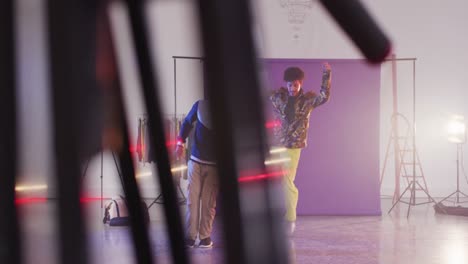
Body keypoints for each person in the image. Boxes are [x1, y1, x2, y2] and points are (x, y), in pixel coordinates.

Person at [270, 62, 332, 235]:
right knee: (279, 181)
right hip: (278, 145)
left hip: (294, 147)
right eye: (289, 85)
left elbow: (324, 96)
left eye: (295, 85)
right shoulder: (278, 97)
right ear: (286, 84)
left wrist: (326, 74)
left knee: (287, 180)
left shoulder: (308, 100)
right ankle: (283, 215)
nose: (292, 88)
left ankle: (290, 218)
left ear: (300, 84)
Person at [176, 100, 218, 248]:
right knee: (192, 200)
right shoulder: (200, 105)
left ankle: (205, 236)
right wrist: (179, 143)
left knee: (208, 203)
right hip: (195, 161)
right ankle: (190, 236)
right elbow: (187, 122)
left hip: (214, 166)